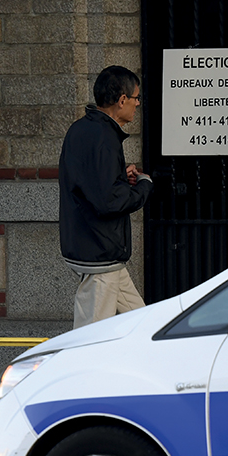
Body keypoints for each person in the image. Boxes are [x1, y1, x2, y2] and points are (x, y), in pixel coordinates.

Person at [59, 66, 152, 328]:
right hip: (100, 254)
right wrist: (143, 186)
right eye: (136, 98)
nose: (137, 104)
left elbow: (88, 181)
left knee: (142, 325)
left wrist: (119, 175)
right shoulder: (104, 138)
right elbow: (110, 201)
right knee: (88, 340)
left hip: (98, 251)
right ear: (122, 100)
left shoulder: (81, 129)